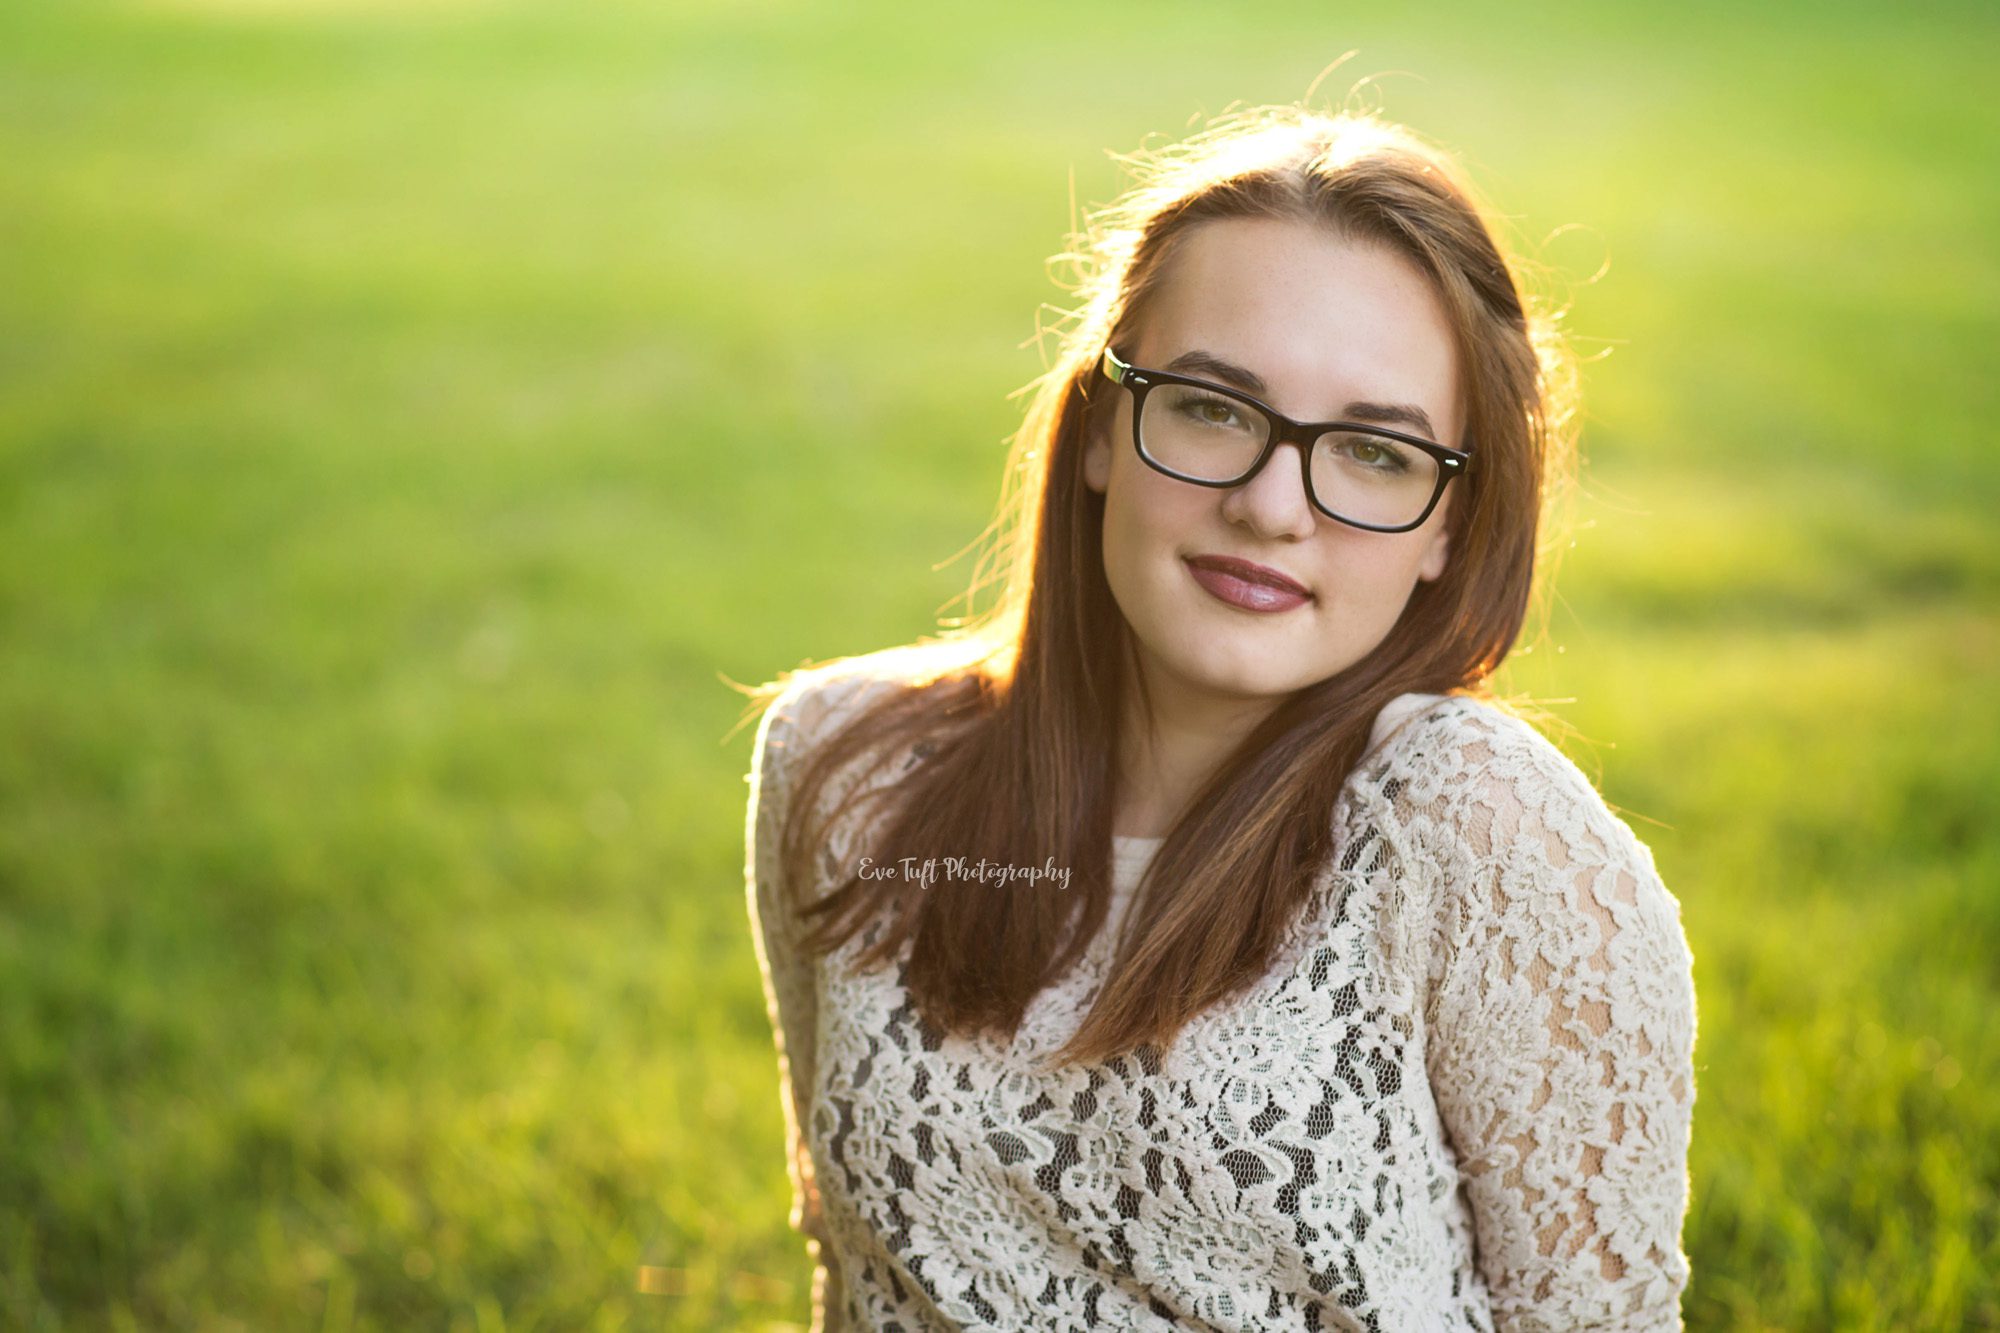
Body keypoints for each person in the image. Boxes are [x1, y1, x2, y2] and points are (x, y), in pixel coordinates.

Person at [739, 102, 1698, 1332]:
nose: (1270, 504)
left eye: (1372, 451)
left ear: (1449, 525)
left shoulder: (1483, 841)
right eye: (1209, 407)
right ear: (1099, 425)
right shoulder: (842, 768)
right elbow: (851, 1267)